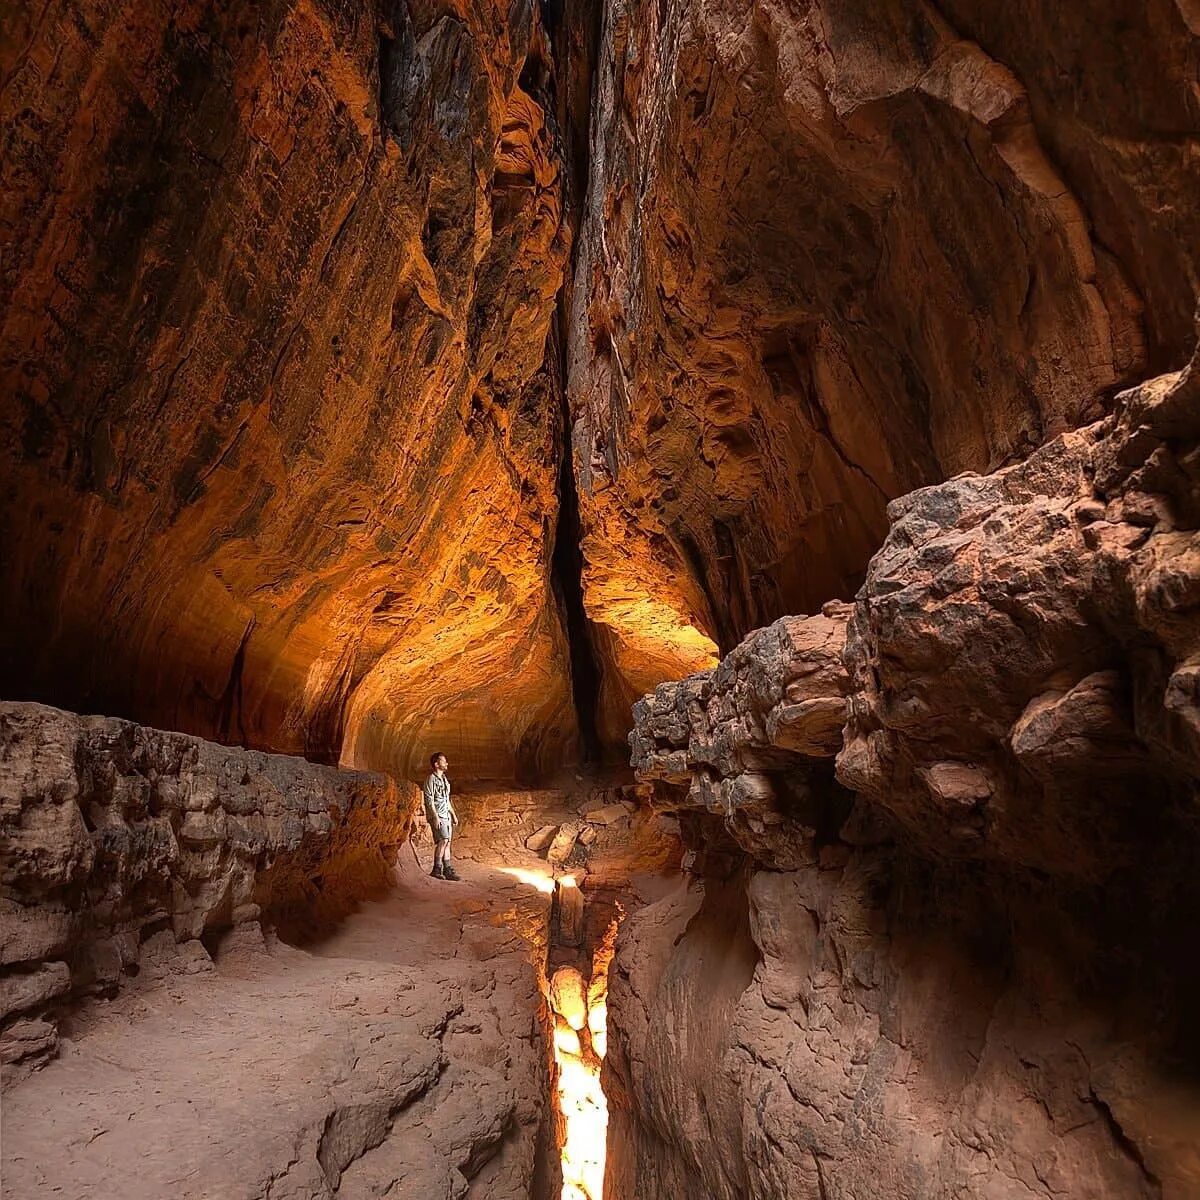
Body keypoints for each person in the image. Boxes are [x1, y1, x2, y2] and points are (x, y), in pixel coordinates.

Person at [422, 752, 460, 881]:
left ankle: (447, 869)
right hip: (438, 815)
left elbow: (446, 799)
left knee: (447, 842)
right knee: (443, 840)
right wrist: (435, 816)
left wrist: (453, 814)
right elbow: (429, 800)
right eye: (444, 761)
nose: (447, 763)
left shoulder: (444, 779)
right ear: (436, 764)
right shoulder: (430, 780)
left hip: (446, 815)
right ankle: (436, 869)